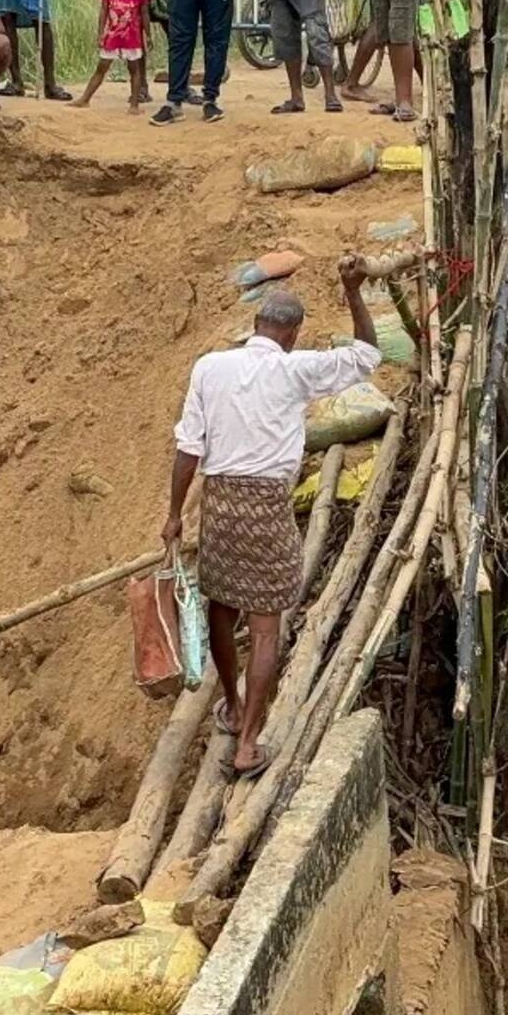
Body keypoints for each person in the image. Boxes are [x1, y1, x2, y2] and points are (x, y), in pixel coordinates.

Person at [162, 260, 382, 777]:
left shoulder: (209, 367)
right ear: (293, 334)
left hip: (219, 504)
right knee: (265, 627)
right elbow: (368, 354)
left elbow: (187, 448)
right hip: (265, 504)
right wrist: (353, 292)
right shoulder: (296, 368)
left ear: (256, 326)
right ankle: (248, 743)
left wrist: (174, 515)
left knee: (221, 606)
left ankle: (233, 709)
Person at [73, 0, 154, 112]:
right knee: (101, 68)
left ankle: (134, 105)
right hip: (112, 36)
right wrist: (100, 33)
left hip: (132, 38)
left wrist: (148, 35)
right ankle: (85, 98)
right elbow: (103, 12)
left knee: (134, 70)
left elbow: (145, 14)